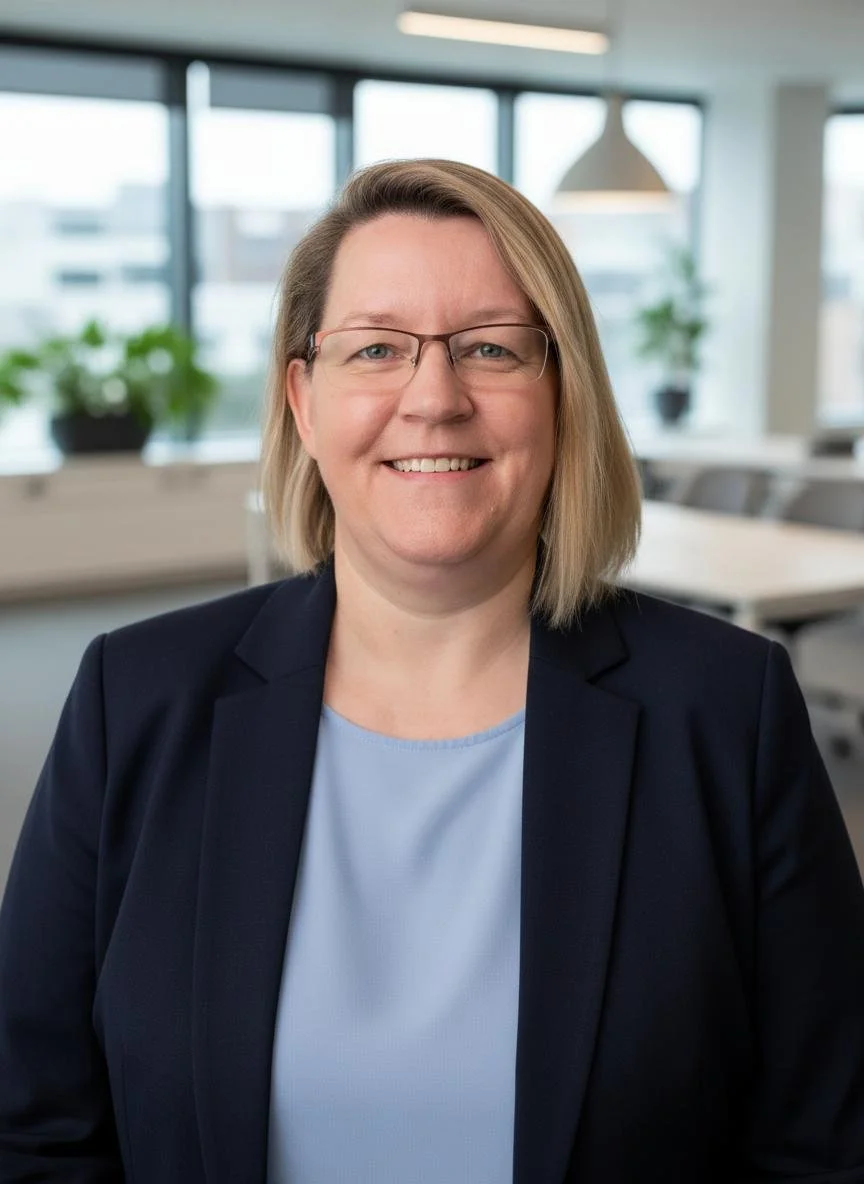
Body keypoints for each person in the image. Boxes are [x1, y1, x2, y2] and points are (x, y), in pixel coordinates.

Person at [2, 158, 864, 1184]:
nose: (435, 398)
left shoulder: (728, 713)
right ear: (304, 400)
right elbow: (35, 1129)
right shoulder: (133, 698)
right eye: (376, 348)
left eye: (491, 348)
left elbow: (823, 1145)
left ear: (564, 395)